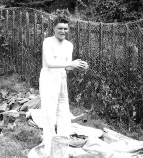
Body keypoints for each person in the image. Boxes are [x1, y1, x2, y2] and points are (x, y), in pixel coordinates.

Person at [39, 14, 89, 157]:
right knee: (49, 113)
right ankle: (49, 148)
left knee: (63, 112)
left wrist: (79, 66)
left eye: (65, 29)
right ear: (54, 28)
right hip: (49, 77)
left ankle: (62, 148)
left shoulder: (69, 45)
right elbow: (49, 63)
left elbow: (67, 67)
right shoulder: (48, 42)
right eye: (60, 28)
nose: (63, 31)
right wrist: (70, 64)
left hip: (61, 78)